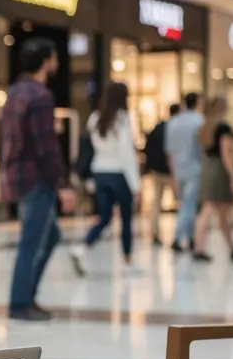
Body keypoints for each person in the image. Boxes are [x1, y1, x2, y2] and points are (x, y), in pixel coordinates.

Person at [0, 37, 76, 322]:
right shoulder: (40, 97)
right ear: (46, 61)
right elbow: (46, 146)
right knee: (31, 241)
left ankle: (27, 296)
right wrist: (62, 184)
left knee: (50, 235)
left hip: (18, 176)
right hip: (36, 179)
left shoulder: (15, 93)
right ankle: (20, 303)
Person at [70, 82, 140, 276]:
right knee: (126, 218)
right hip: (119, 173)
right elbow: (126, 154)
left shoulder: (95, 118)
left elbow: (93, 147)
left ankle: (83, 247)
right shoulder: (123, 119)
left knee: (105, 217)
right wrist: (136, 185)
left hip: (100, 171)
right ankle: (127, 261)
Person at [193, 95, 233, 263]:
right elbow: (225, 154)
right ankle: (199, 248)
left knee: (217, 210)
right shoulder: (223, 127)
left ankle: (231, 247)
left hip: (209, 167)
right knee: (211, 209)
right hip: (220, 170)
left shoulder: (206, 127)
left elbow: (203, 153)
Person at [165, 92, 205, 253]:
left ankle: (190, 238)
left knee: (186, 204)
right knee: (188, 205)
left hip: (178, 169)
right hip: (194, 168)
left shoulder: (173, 123)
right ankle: (177, 237)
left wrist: (173, 172)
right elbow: (202, 148)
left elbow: (169, 152)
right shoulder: (199, 121)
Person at [144, 104, 179, 247]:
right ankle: (181, 235)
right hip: (170, 171)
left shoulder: (158, 127)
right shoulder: (174, 129)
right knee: (181, 201)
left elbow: (148, 147)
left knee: (156, 202)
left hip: (157, 170)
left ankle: (154, 233)